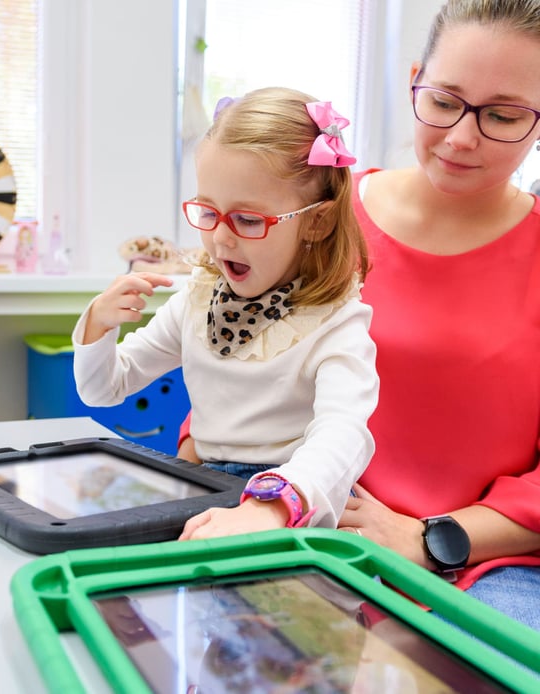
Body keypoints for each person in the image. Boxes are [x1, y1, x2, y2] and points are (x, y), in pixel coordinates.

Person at [178, 0, 540, 631]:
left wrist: (429, 538)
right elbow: (241, 346)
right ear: (413, 82)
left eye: (503, 115)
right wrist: (201, 458)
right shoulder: (321, 218)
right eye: (444, 100)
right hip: (289, 518)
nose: (460, 136)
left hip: (482, 561)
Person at [72, 87, 378, 531]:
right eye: (207, 212)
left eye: (249, 220)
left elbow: (342, 436)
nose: (220, 238)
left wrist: (273, 505)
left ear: (317, 220)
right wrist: (100, 324)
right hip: (205, 483)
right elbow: (104, 389)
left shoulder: (337, 324)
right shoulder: (197, 301)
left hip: (295, 497)